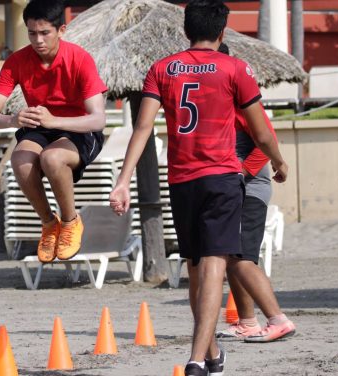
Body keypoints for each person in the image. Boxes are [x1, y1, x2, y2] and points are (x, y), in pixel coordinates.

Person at [109, 1, 288, 375]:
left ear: (185, 31)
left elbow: (142, 129)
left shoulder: (162, 69)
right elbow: (260, 132)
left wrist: (123, 179)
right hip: (222, 176)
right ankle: (195, 357)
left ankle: (210, 353)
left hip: (181, 179)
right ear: (223, 31)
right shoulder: (236, 68)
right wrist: (278, 161)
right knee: (212, 266)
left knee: (195, 267)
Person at [0, 0, 107, 263]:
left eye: (44, 33)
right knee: (20, 160)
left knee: (52, 158)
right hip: (40, 127)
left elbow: (97, 120)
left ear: (61, 30)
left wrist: (55, 120)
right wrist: (12, 119)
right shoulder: (17, 61)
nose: (37, 40)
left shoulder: (80, 58)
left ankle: (71, 221)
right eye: (31, 33)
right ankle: (49, 224)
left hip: (79, 129)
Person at [213, 43, 296, 344]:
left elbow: (266, 141)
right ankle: (247, 322)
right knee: (230, 255)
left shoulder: (239, 100)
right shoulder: (215, 101)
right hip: (232, 188)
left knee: (242, 257)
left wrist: (241, 175)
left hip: (251, 190)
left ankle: (278, 320)